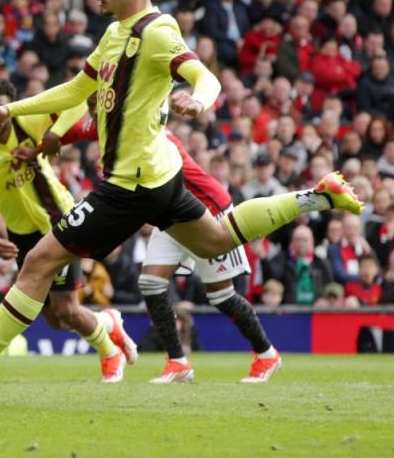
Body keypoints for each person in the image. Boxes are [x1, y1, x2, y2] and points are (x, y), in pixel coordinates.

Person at [0, 0, 362, 394]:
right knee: (216, 240)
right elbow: (75, 90)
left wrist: (198, 99)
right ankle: (319, 195)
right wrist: (12, 110)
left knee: (40, 260)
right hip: (158, 174)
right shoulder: (114, 33)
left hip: (130, 184)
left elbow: (203, 76)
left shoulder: (157, 32)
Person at [30, 105, 280, 383]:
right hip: (170, 215)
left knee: (221, 296)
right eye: (92, 108)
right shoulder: (112, 127)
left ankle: (267, 354)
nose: (95, 115)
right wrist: (35, 134)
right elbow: (72, 131)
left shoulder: (151, 135)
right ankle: (177, 362)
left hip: (208, 213)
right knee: (150, 283)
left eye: (98, 108)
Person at [0, 78, 137, 382]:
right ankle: (107, 322)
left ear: (9, 107)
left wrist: (53, 134)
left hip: (60, 221)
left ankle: (109, 351)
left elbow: (77, 100)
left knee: (66, 308)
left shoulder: (29, 119)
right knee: (54, 318)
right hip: (21, 235)